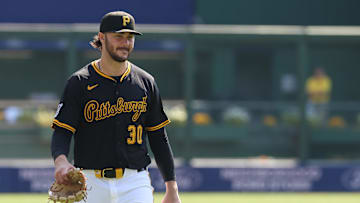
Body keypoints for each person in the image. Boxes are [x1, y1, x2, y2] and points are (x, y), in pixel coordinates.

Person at [51, 11, 181, 203]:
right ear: (102, 38)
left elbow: (158, 137)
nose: (125, 42)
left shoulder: (145, 82)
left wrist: (172, 187)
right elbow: (62, 131)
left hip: (134, 181)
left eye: (129, 37)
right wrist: (60, 161)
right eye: (118, 36)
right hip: (90, 181)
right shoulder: (80, 82)